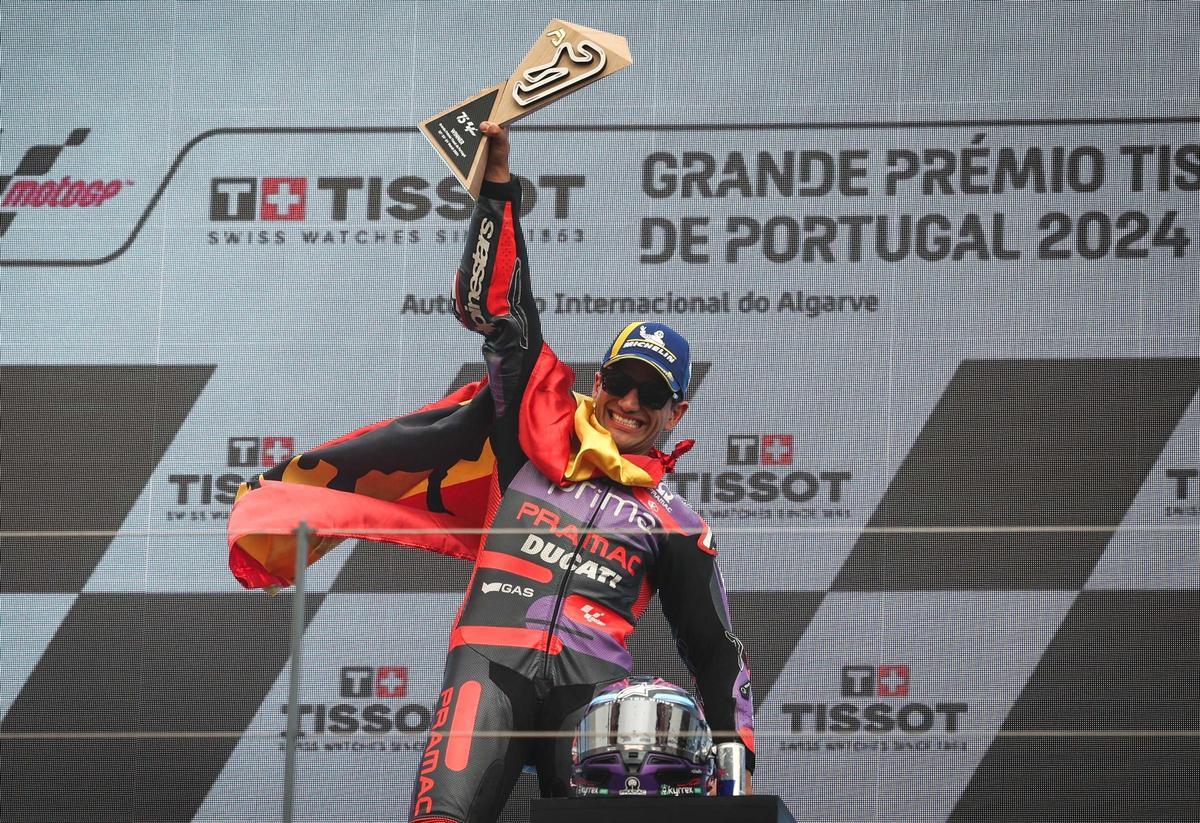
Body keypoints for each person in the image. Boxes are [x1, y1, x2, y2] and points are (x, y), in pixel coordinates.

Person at [407, 122, 754, 823]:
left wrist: (736, 752)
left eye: (650, 393)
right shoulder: (533, 437)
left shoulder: (674, 520)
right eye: (620, 382)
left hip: (591, 698)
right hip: (489, 666)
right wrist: (498, 185)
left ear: (675, 410)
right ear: (599, 382)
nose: (629, 403)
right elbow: (507, 317)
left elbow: (716, 650)